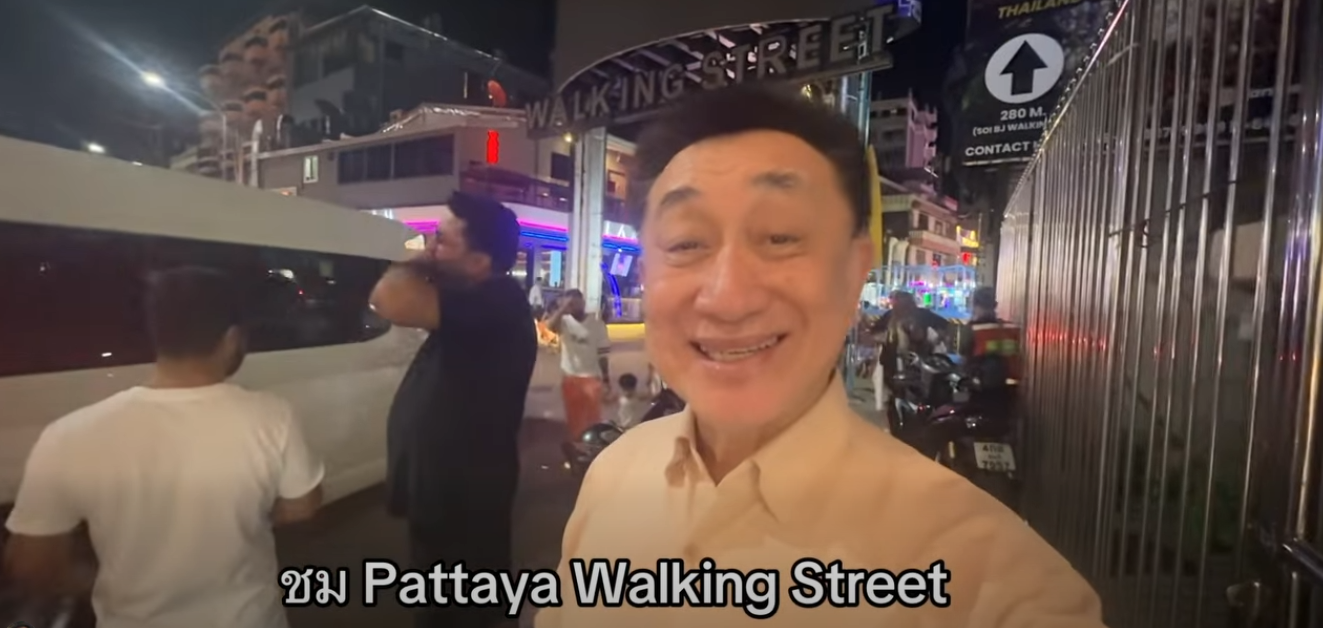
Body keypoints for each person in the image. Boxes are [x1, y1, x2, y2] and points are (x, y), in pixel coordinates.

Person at [536, 85, 1106, 627]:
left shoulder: (986, 576)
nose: (728, 297)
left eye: (781, 237)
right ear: (647, 272)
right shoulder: (614, 475)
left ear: (856, 270)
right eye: (686, 242)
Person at [3, 267, 324, 628]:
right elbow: (302, 506)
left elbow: (32, 564)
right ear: (232, 338)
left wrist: (110, 584)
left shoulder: (68, 435)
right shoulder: (272, 416)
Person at [370, 191, 537, 628]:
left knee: (463, 611)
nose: (431, 247)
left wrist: (417, 261)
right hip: (446, 495)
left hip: (464, 499)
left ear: (480, 262)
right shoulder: (473, 300)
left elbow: (389, 298)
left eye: (442, 241)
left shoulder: (497, 302)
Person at [544, 289, 611, 443]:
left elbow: (602, 355)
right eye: (569, 304)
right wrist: (562, 309)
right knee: (574, 417)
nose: (571, 307)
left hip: (591, 377)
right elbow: (549, 327)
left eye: (574, 303)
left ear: (583, 303)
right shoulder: (564, 322)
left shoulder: (597, 324)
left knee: (592, 418)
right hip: (570, 377)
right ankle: (577, 445)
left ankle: (592, 447)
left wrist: (606, 379)